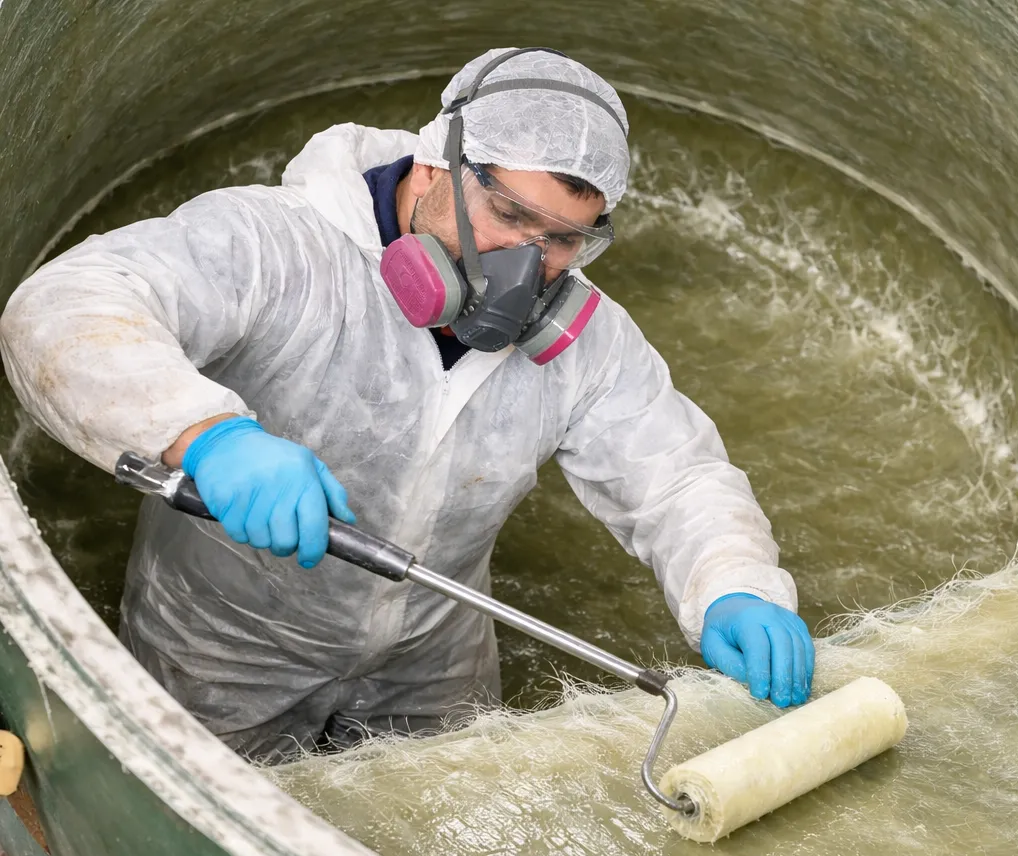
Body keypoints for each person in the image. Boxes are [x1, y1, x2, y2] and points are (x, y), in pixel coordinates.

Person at [0, 47, 814, 763]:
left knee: (443, 843)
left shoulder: (587, 342)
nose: (527, 266)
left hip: (434, 655)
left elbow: (674, 477)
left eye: (564, 239)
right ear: (434, 168)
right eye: (509, 216)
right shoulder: (278, 248)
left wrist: (732, 581)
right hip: (225, 647)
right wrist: (206, 435)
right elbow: (67, 304)